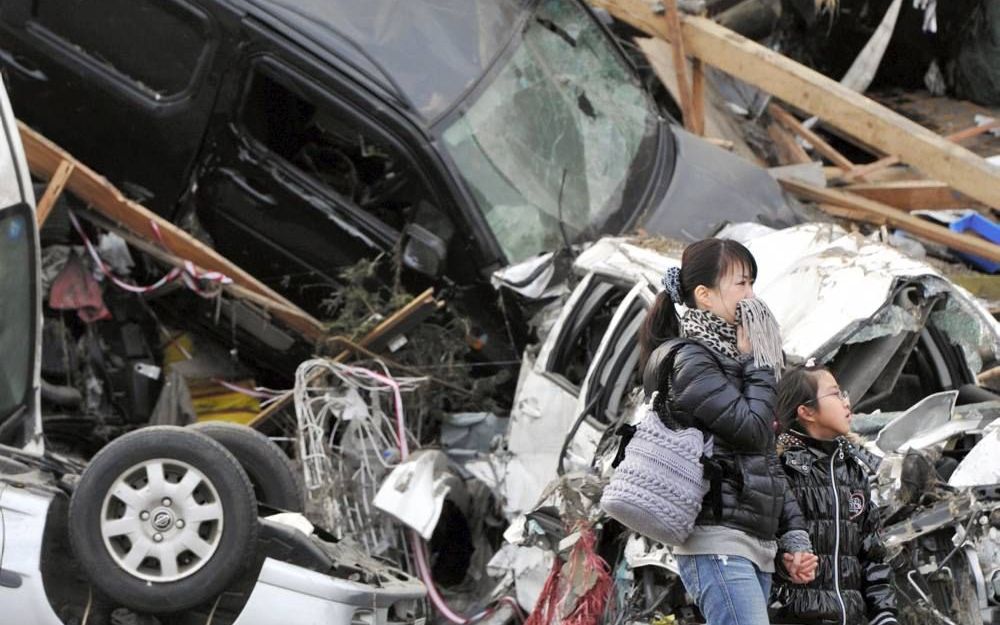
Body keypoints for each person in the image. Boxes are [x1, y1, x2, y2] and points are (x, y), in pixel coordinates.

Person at [639, 238, 817, 625]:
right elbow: (753, 431)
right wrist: (757, 361)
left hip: (752, 542)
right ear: (704, 295)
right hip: (716, 539)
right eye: (741, 284)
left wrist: (794, 537)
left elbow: (764, 459)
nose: (752, 296)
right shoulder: (692, 363)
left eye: (752, 283)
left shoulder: (733, 360)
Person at [771, 362, 900, 625]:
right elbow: (760, 546)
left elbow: (872, 553)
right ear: (806, 411)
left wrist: (883, 613)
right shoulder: (781, 470)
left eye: (843, 393)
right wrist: (784, 567)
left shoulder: (852, 469)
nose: (845, 402)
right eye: (834, 393)